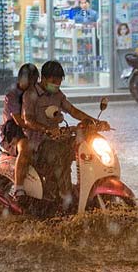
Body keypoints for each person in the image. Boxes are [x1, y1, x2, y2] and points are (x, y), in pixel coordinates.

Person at [22, 60, 107, 205]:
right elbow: (27, 120)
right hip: (39, 144)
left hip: (58, 138)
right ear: (44, 78)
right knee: (61, 155)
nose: (57, 85)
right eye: (54, 81)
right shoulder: (30, 95)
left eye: (59, 82)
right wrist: (46, 130)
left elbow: (73, 111)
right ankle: (65, 197)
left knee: (85, 145)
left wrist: (95, 122)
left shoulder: (57, 95)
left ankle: (85, 189)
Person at [0, 63, 40, 202]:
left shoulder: (37, 93)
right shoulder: (12, 95)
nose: (32, 85)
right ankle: (19, 187)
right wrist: (43, 127)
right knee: (25, 148)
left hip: (31, 127)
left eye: (35, 82)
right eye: (30, 81)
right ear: (21, 79)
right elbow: (20, 121)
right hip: (13, 130)